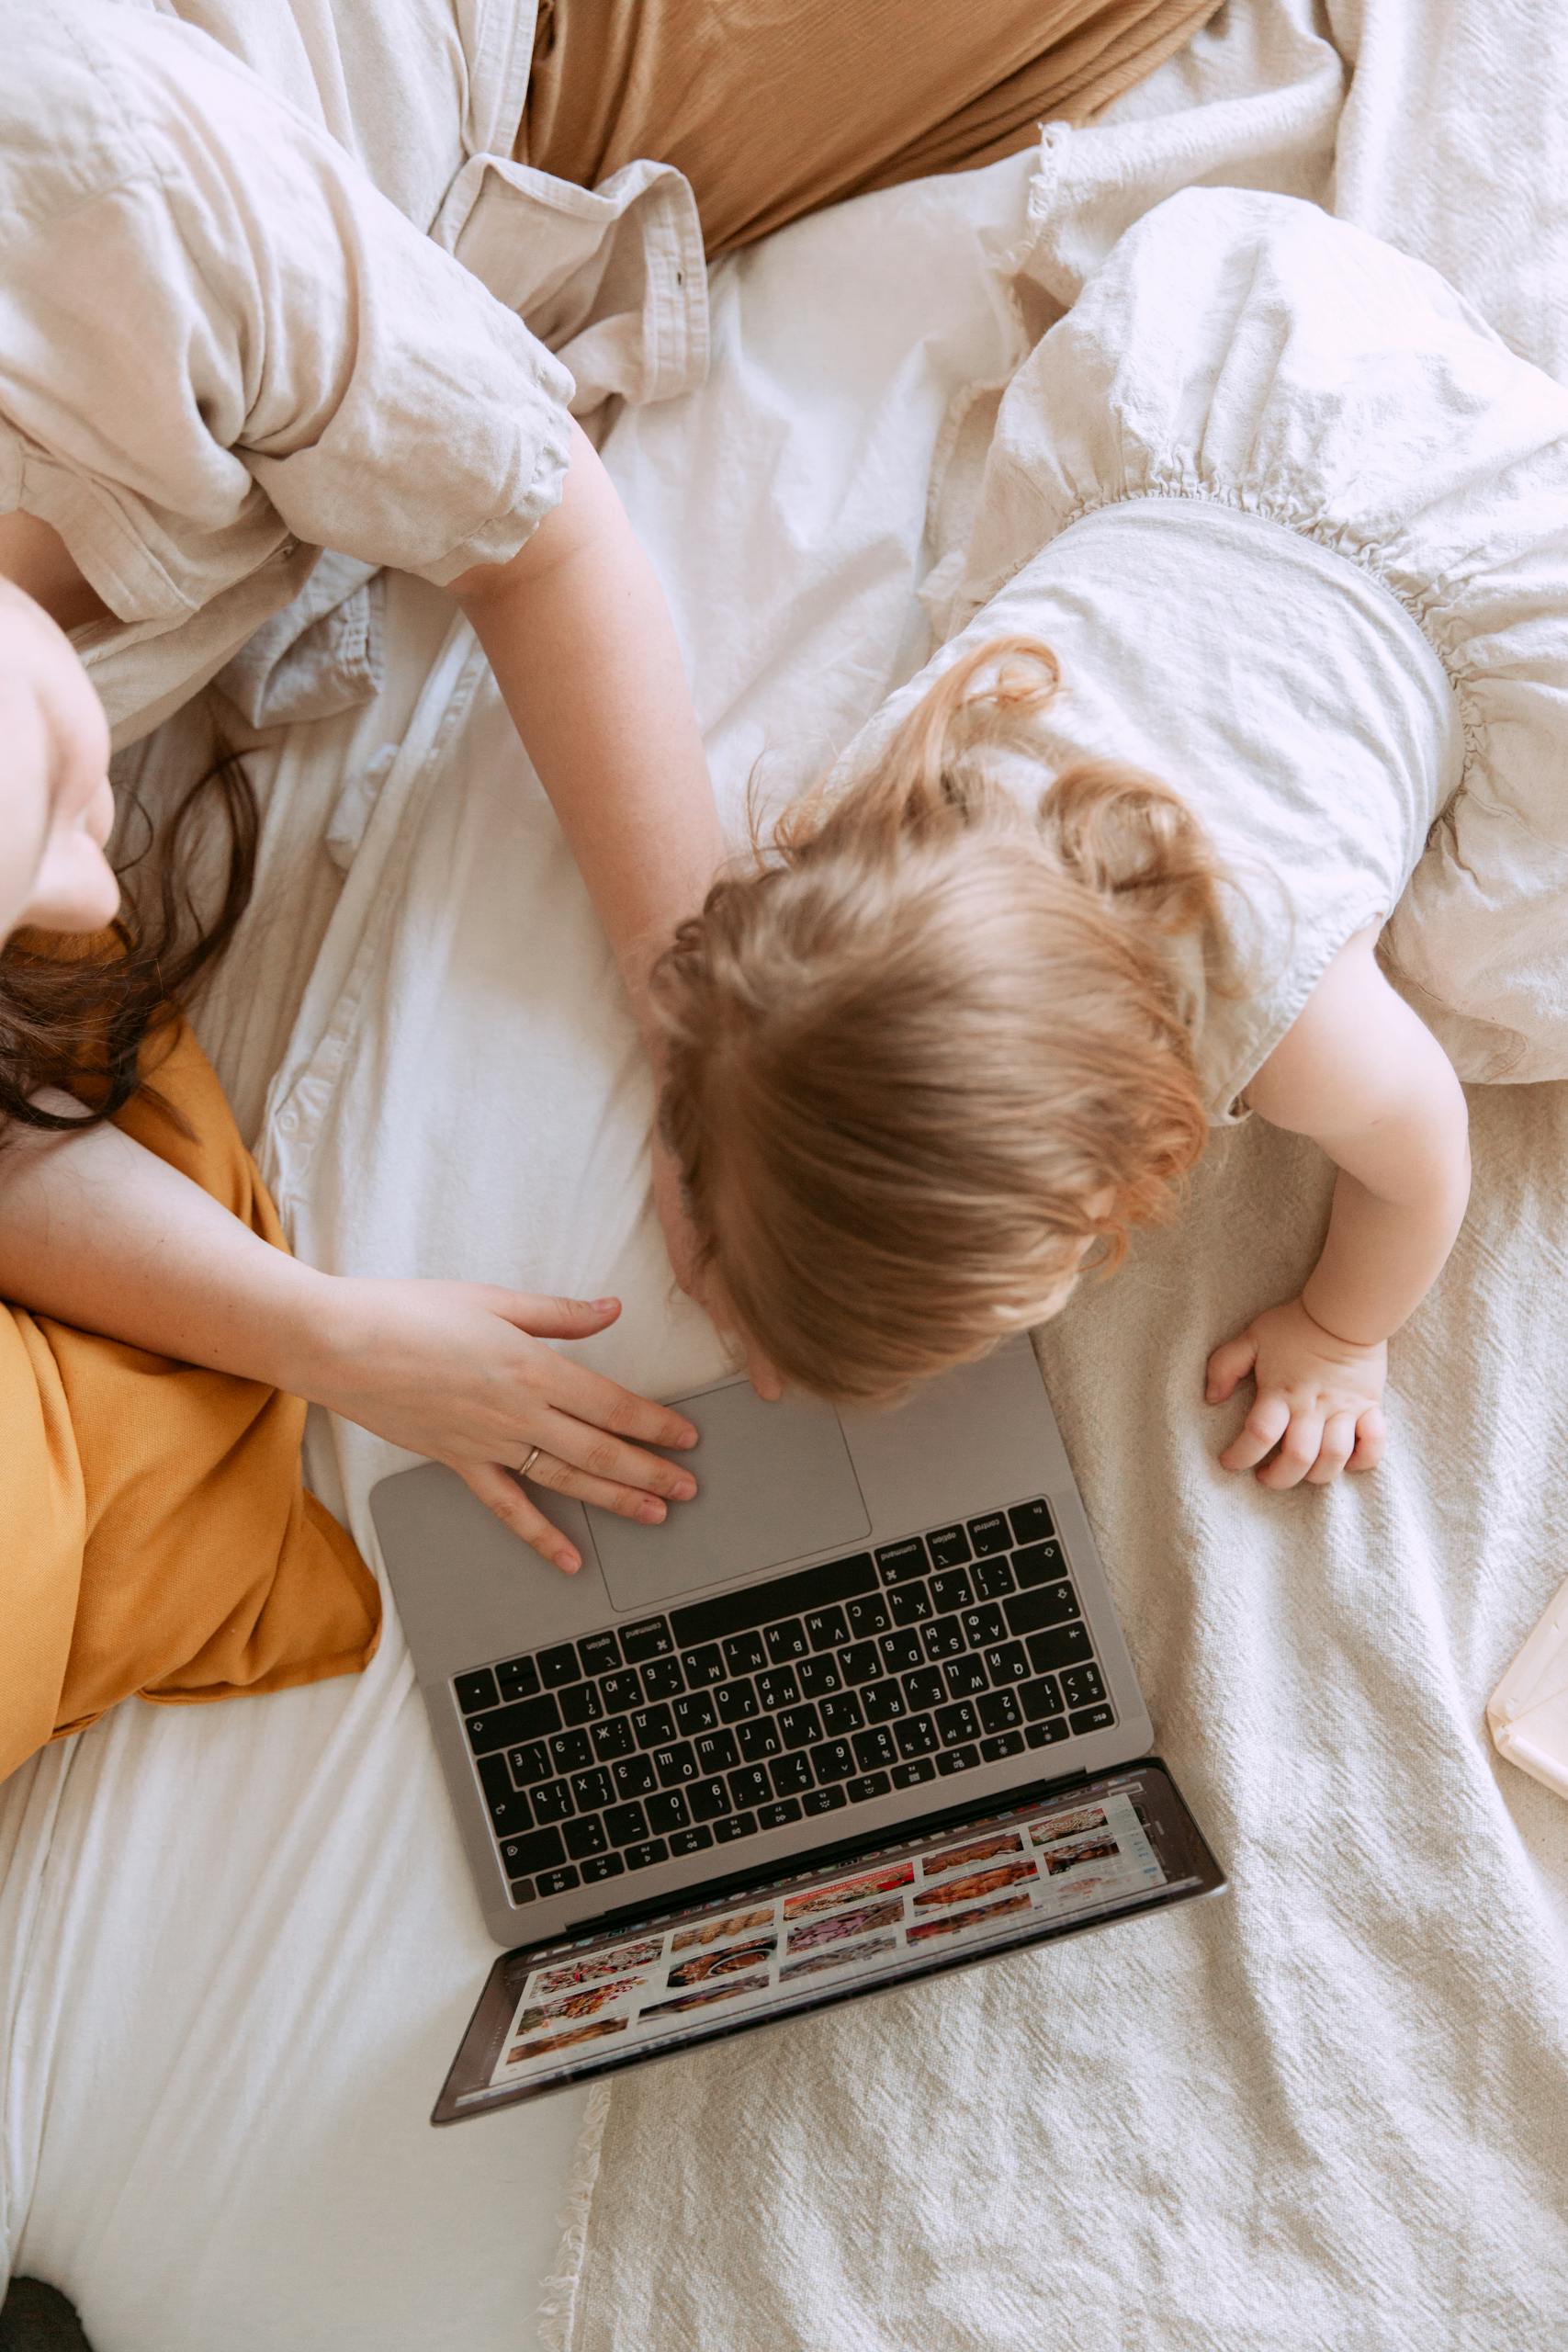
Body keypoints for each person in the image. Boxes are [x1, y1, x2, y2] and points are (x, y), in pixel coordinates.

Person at [0, 0, 1222, 1785]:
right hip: (436, 232)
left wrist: (705, 1026)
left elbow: (533, 523)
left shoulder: (80, 173)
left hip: (519, 61)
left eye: (36, 814)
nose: (89, 883)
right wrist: (334, 1333)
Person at [651, 188, 1568, 1491]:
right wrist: (784, 1232)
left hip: (1456, 573)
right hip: (1241, 419)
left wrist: (1337, 1334)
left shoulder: (1283, 998)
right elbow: (794, 1040)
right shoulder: (872, 813)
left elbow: (1423, 1159)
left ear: (1128, 1132)